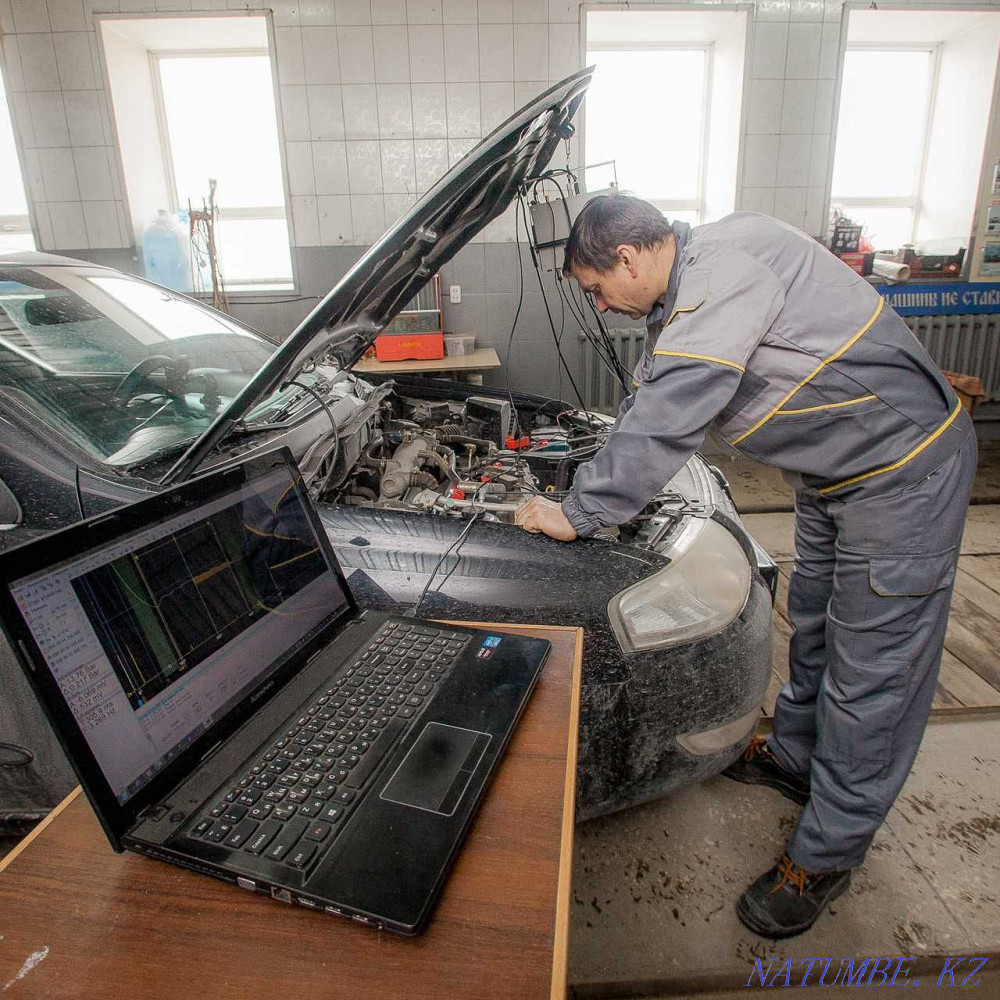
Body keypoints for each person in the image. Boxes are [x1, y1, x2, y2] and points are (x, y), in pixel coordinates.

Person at [514, 194, 976, 939]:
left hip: (902, 476)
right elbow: (647, 404)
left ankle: (829, 853)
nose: (603, 307)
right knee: (819, 628)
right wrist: (592, 478)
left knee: (875, 674)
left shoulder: (726, 269)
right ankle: (796, 758)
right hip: (836, 477)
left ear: (627, 258)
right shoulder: (691, 282)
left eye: (597, 290)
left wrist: (581, 512)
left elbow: (675, 408)